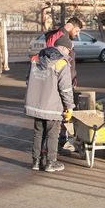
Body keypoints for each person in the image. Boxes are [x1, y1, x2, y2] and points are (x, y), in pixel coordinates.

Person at [25, 45, 75, 173]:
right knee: (52, 135)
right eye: (68, 50)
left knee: (38, 133)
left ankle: (36, 162)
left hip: (36, 105)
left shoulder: (36, 59)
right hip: (53, 107)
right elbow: (66, 89)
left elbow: (28, 80)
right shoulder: (61, 63)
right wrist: (69, 107)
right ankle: (51, 162)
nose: (68, 54)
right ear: (63, 48)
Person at [44, 17, 84, 151]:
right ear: (71, 26)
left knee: (65, 111)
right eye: (77, 31)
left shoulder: (64, 36)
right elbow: (52, 59)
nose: (77, 34)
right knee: (61, 111)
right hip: (59, 80)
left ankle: (61, 138)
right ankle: (54, 145)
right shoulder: (59, 35)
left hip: (67, 79)